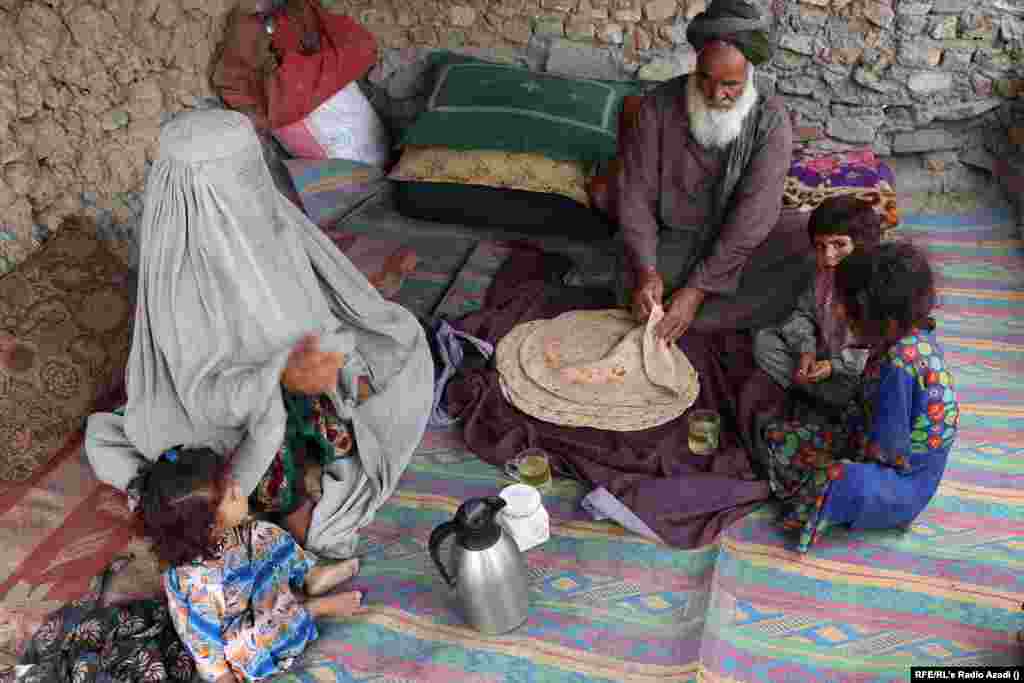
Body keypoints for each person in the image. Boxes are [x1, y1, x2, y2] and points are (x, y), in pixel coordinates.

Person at [85, 108, 433, 559]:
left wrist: (310, 357)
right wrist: (284, 373)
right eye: (234, 175)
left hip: (273, 404)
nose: (244, 184)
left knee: (367, 350)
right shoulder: (178, 264)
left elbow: (307, 303)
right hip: (226, 423)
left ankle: (250, 491)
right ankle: (267, 501)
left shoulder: (260, 219)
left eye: (246, 170)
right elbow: (205, 388)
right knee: (292, 422)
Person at [617, 0, 815, 341]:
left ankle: (692, 309)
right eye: (705, 78)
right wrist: (647, 271)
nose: (715, 94)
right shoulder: (658, 106)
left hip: (739, 245)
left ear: (749, 74)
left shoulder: (771, 120)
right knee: (633, 282)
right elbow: (636, 192)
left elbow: (753, 216)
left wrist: (696, 290)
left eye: (731, 84)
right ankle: (693, 312)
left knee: (804, 246)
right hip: (674, 238)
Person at [757, 242, 959, 553]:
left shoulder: (900, 364)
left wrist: (835, 455)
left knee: (836, 477)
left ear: (883, 318)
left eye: (848, 307)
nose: (839, 311)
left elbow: (889, 451)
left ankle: (839, 505)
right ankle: (818, 481)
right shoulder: (906, 336)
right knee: (778, 435)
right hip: (869, 440)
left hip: (899, 482)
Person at [136, 448, 363, 683]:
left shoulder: (225, 533)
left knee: (263, 533)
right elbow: (205, 648)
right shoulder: (199, 586)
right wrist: (223, 676)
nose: (240, 488)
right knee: (250, 648)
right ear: (210, 526)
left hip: (249, 583)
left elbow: (259, 543)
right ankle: (311, 610)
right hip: (236, 625)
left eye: (233, 481)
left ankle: (310, 575)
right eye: (232, 494)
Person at [754, 195, 883, 413]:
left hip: (853, 369)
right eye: (820, 246)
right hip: (823, 356)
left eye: (839, 245)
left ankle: (821, 399)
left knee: (864, 388)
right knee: (764, 341)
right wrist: (807, 351)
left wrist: (834, 366)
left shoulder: (875, 286)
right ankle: (815, 394)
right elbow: (802, 314)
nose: (828, 256)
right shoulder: (822, 278)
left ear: (862, 243)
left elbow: (874, 346)